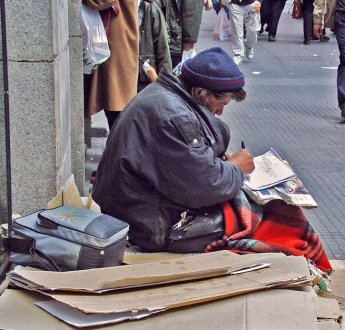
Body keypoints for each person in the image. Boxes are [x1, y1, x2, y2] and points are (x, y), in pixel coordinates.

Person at [92, 47, 254, 251]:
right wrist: (235, 168)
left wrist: (221, 164)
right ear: (203, 94)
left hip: (130, 207)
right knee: (251, 217)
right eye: (221, 103)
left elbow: (185, 165)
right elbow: (205, 186)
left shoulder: (165, 93)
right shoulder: (176, 117)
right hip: (143, 226)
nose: (220, 112)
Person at [83, 0, 139, 130]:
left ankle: (119, 148)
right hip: (116, 39)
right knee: (116, 102)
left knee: (117, 104)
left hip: (118, 42)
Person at [156, 0, 204, 68]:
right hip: (164, 33)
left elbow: (191, 9)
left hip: (174, 38)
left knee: (172, 70)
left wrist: (188, 39)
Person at [137, 0, 172, 92]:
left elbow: (163, 49)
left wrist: (166, 85)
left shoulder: (150, 9)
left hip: (143, 79)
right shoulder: (115, 7)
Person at [223, 0, 261, 65]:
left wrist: (259, 1)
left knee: (253, 31)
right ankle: (238, 54)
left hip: (252, 4)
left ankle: (249, 45)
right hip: (235, 4)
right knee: (236, 31)